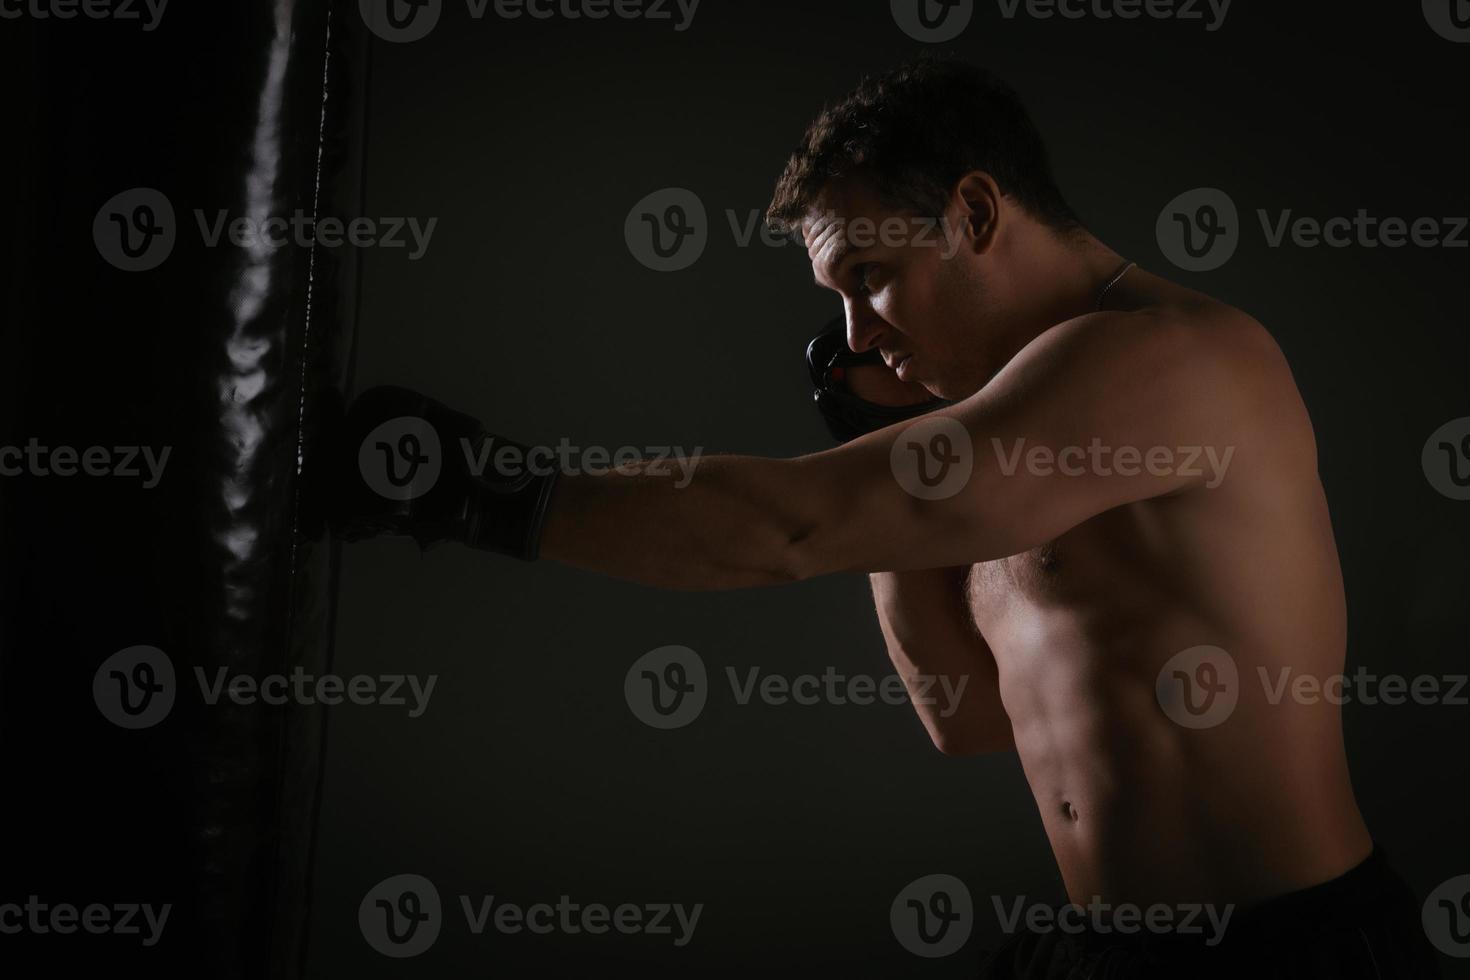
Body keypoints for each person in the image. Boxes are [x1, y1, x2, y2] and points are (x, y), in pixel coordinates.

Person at [332, 55, 1442, 978]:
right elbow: (960, 714)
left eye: (870, 276)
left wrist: (473, 489)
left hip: (1286, 952)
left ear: (971, 212)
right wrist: (869, 443)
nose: (856, 333)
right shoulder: (1009, 427)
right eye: (837, 298)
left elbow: (794, 531)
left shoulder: (1170, 359)